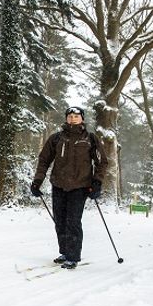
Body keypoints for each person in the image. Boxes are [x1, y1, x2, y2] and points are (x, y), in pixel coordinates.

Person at [29, 106, 108, 269]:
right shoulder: (56, 138)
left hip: (80, 186)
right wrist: (37, 181)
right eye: (70, 116)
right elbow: (44, 160)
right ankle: (64, 252)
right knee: (60, 220)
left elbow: (102, 162)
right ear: (66, 118)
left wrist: (97, 182)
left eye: (76, 116)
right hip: (58, 184)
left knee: (73, 221)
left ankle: (73, 256)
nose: (73, 119)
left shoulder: (90, 139)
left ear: (82, 119)